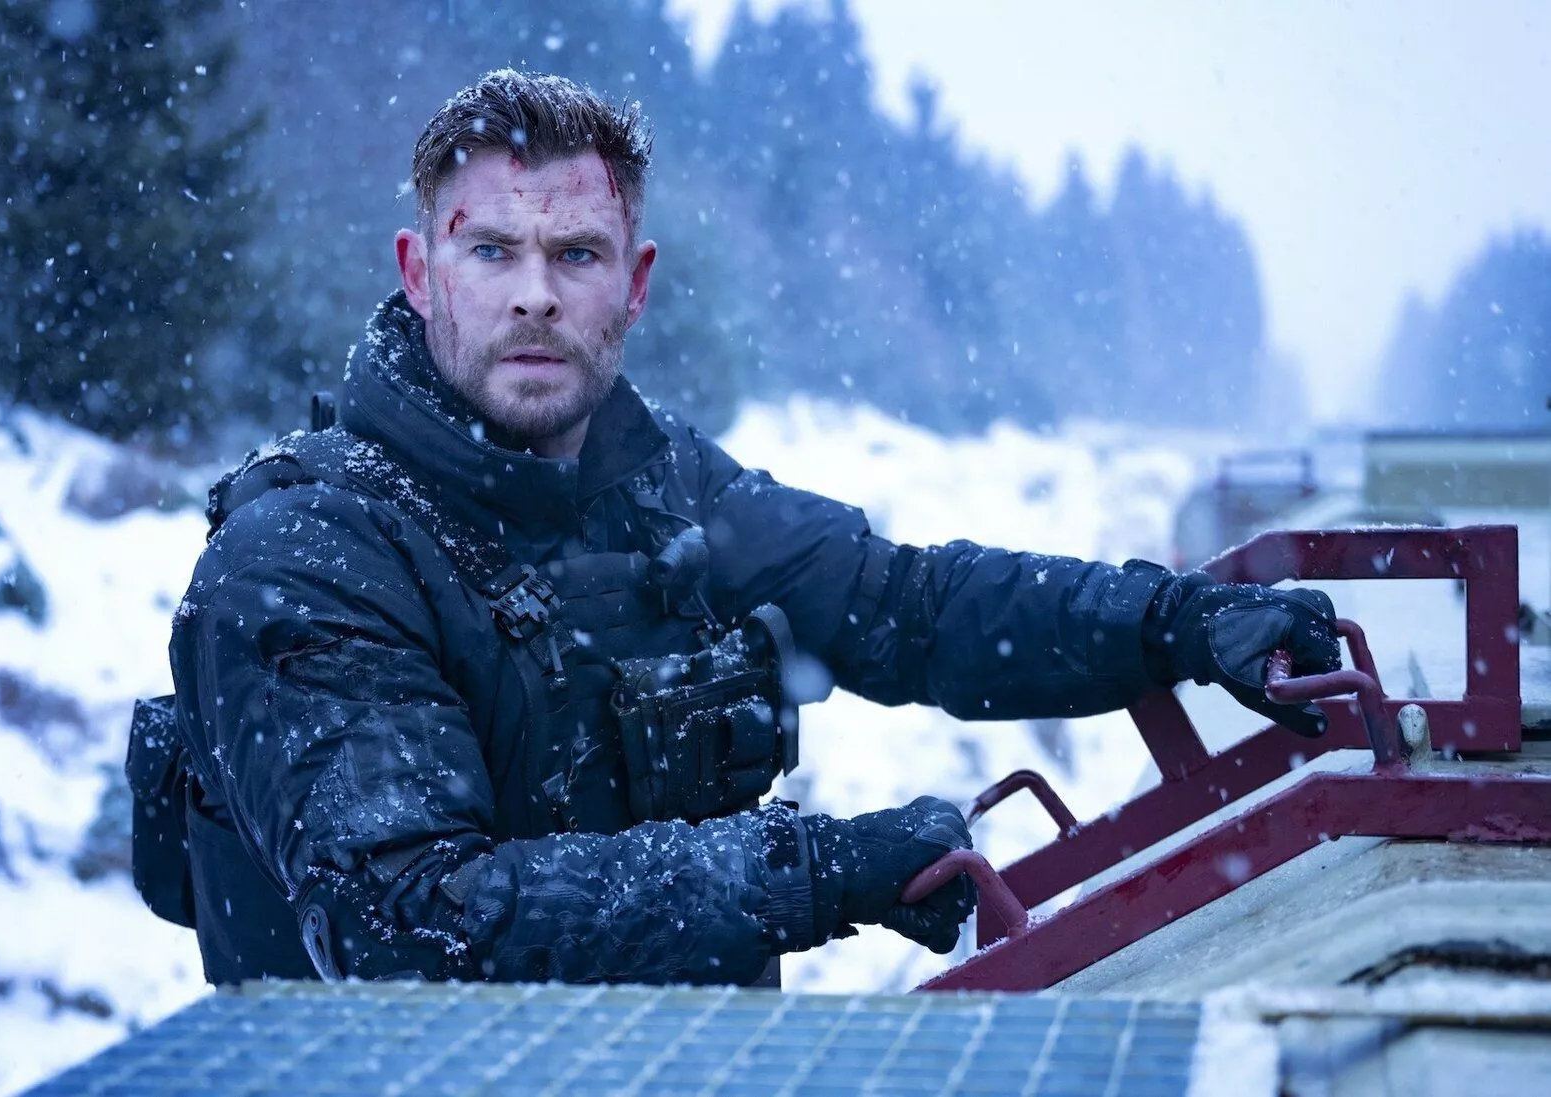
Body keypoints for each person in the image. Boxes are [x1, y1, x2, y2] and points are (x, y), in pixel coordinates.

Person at [156, 70, 1341, 987]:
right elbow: (409, 918)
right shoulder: (307, 555)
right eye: (492, 250)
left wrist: (1177, 620)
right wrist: (810, 871)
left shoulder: (659, 481)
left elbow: (907, 606)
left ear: (635, 283)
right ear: (421, 272)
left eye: (576, 253)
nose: (535, 293)